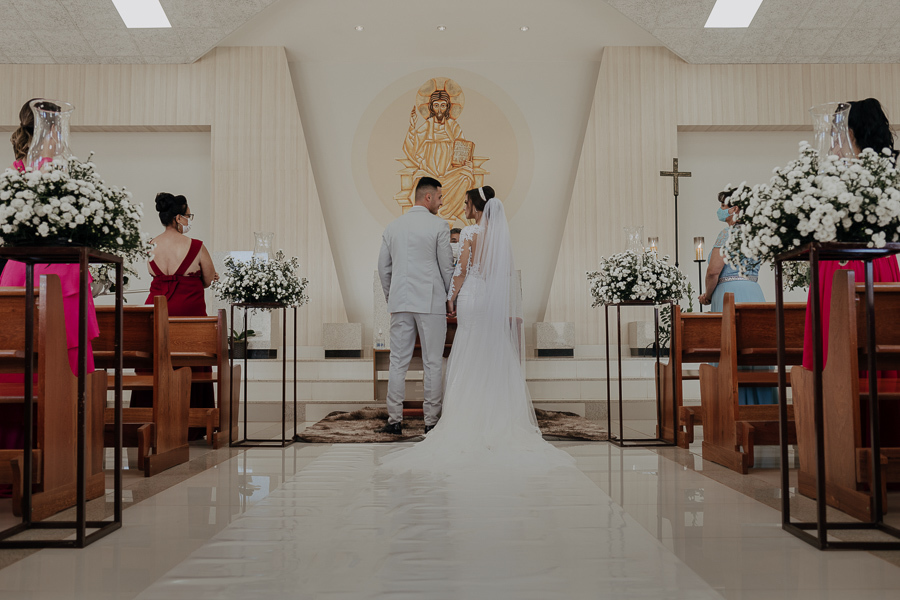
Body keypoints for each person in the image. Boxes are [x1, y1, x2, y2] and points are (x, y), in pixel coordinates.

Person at [380, 186, 574, 473]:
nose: (462, 207)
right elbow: (489, 272)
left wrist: (449, 297)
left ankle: (398, 420)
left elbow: (457, 271)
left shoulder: (464, 232)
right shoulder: (498, 235)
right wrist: (446, 294)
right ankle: (448, 420)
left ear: (475, 206)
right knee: (479, 352)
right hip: (485, 299)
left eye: (466, 203)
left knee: (426, 356)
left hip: (459, 296)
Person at [0, 99, 100, 488]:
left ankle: (22, 460)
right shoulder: (57, 171)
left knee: (24, 365)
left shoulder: (16, 172)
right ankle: (62, 463)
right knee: (53, 366)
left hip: (21, 271)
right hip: (57, 270)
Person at [802, 98, 900, 372]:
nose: (832, 148)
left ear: (859, 139)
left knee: (872, 344)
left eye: (838, 138)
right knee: (831, 352)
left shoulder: (875, 179)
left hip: (863, 261)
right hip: (834, 262)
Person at [130, 193, 219, 439]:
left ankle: (150, 420)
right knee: (193, 361)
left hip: (158, 312)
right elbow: (208, 279)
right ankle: (193, 424)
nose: (189, 220)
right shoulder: (196, 246)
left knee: (155, 362)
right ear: (178, 217)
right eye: (188, 215)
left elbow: (154, 273)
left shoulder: (150, 245)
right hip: (188, 313)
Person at [376, 177, 454, 435]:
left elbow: (383, 268)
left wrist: (392, 295)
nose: (441, 203)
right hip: (430, 300)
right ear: (428, 197)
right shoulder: (438, 225)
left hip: (401, 300)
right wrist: (450, 298)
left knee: (398, 361)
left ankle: (394, 421)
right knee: (432, 362)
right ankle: (431, 422)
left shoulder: (393, 227)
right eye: (440, 198)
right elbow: (446, 266)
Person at [698, 189, 776, 405]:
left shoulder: (727, 234)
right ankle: (760, 408)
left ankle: (728, 407)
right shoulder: (757, 236)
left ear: (736, 209)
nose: (720, 210)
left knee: (728, 350)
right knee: (753, 350)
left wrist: (707, 295)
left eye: (723, 206)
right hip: (753, 292)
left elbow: (713, 272)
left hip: (728, 294)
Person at [401, 85, 476, 223]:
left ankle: (446, 211)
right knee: (421, 182)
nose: (440, 109)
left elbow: (462, 149)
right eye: (436, 105)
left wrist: (466, 163)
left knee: (466, 177)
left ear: (448, 107)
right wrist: (412, 126)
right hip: (430, 170)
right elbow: (412, 145)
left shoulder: (453, 126)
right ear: (431, 107)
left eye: (443, 105)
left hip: (450, 171)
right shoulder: (428, 125)